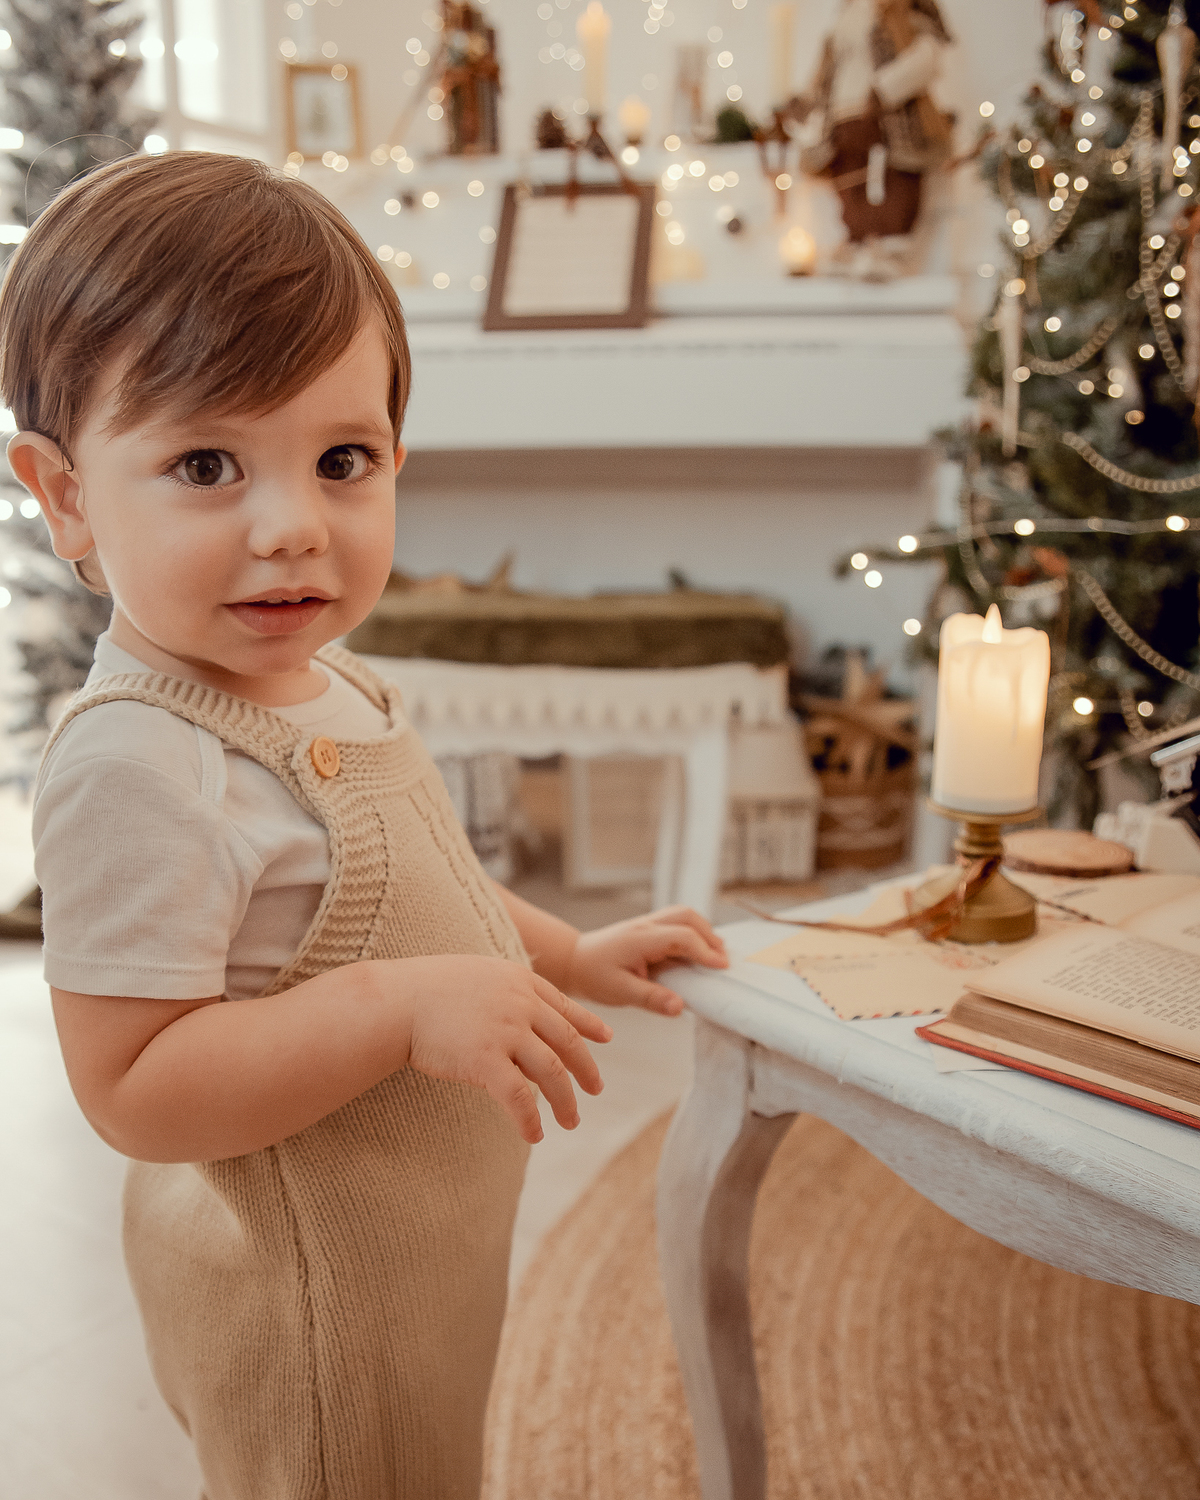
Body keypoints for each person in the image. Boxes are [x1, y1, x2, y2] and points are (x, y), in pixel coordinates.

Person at [1, 151, 729, 1500]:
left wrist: (567, 956)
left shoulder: (328, 681)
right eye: (206, 462)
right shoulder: (141, 765)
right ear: (64, 493)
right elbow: (134, 1088)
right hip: (309, 1310)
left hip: (411, 1264)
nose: (293, 528)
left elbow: (414, 885)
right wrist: (397, 1012)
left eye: (343, 460)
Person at [791, 0, 953, 279]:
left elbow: (927, 58)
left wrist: (886, 88)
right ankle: (856, 243)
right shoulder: (845, 14)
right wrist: (805, 104)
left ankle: (891, 248)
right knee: (848, 182)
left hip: (890, 117)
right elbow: (827, 70)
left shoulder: (906, 8)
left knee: (896, 179)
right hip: (840, 119)